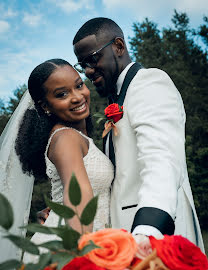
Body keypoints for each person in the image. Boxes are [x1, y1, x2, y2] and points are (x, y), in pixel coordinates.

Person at [73, 17, 205, 252]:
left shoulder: (149, 82)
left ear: (119, 47)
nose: (88, 71)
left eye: (93, 59)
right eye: (82, 65)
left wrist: (147, 232)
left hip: (157, 242)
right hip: (121, 239)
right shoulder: (120, 98)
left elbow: (161, 161)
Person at [0, 58, 114, 270]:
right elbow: (80, 199)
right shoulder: (65, 138)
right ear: (46, 105)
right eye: (62, 94)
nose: (77, 96)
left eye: (78, 85)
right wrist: (79, 266)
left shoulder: (74, 136)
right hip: (70, 248)